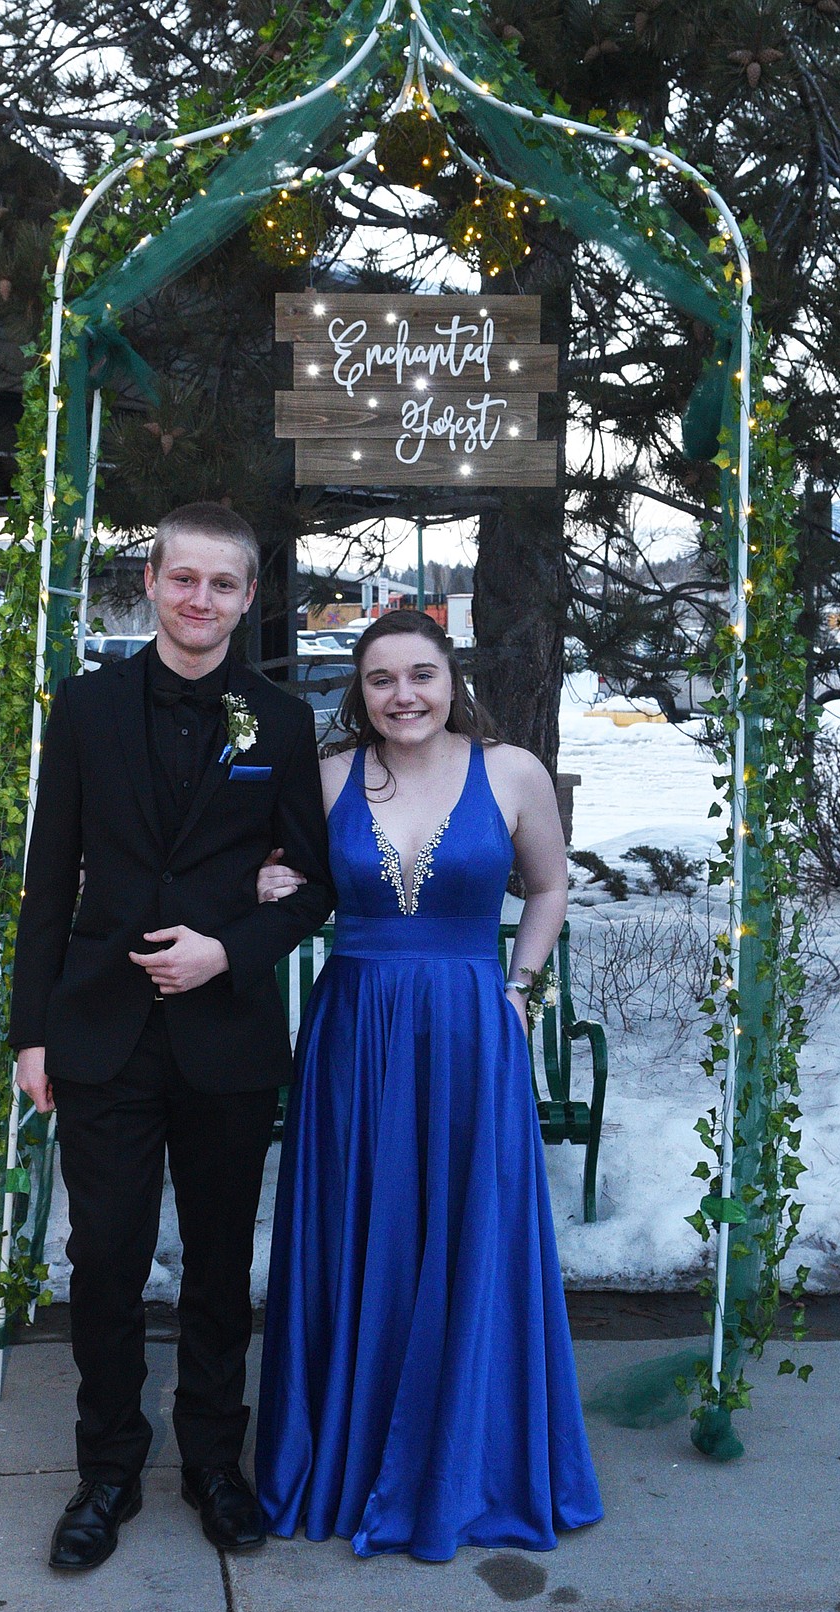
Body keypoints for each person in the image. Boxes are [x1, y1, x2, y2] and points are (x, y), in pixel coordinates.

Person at [8, 501, 334, 1570]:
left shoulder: (279, 722)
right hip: (101, 1032)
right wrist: (32, 1034)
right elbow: (48, 881)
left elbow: (313, 888)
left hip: (225, 1036)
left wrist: (228, 950)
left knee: (214, 1264)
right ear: (150, 582)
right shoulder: (87, 708)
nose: (201, 600)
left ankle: (211, 1461)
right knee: (102, 1259)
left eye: (224, 585)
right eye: (183, 579)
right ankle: (106, 1468)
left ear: (248, 599)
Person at [254, 609, 602, 1560]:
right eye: (380, 679)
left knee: (467, 1230)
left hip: (468, 1029)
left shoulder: (513, 770)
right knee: (359, 1231)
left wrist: (521, 986)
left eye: (421, 675)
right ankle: (352, 1457)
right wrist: (275, 880)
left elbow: (549, 886)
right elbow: (281, 873)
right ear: (357, 692)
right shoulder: (324, 779)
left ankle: (467, 1461)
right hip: (355, 1033)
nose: (402, 694)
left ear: (452, 680)